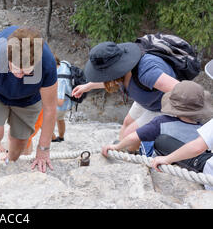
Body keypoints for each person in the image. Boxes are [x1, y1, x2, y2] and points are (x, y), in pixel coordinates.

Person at [0, 26, 58, 175]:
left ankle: (10, 163)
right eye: (15, 69)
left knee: (20, 140)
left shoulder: (47, 63)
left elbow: (50, 109)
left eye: (26, 71)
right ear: (7, 57)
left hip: (29, 98)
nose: (19, 76)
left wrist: (43, 149)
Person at [72, 41, 179, 152]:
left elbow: (182, 91)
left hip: (163, 106)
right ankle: (121, 151)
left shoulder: (147, 72)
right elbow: (113, 81)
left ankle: (132, 156)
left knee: (130, 134)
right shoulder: (123, 69)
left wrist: (185, 120)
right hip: (147, 99)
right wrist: (88, 86)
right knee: (127, 122)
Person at [102, 81, 212, 161]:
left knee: (147, 138)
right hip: (189, 161)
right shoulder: (203, 129)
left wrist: (117, 147)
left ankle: (135, 154)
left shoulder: (161, 122)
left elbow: (133, 137)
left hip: (159, 159)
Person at [151, 61, 213, 190]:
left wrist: (167, 159)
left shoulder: (160, 122)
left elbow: (197, 147)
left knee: (162, 141)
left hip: (209, 168)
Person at [52, 55, 73, 142]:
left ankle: (53, 138)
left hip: (62, 104)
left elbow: (60, 101)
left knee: (41, 121)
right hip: (67, 102)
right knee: (60, 118)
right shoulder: (64, 65)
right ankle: (61, 137)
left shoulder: (61, 79)